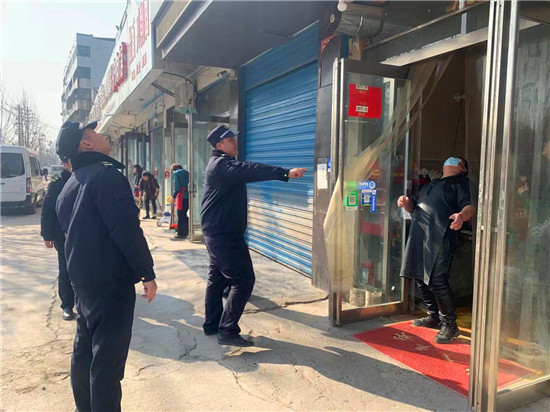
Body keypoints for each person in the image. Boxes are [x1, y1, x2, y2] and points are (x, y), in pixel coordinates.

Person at [55, 120, 158, 412]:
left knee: (84, 353)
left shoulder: (71, 184)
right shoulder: (107, 177)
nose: (103, 136)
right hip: (110, 283)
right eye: (96, 133)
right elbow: (126, 230)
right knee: (107, 366)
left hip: (83, 282)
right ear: (86, 143)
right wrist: (147, 273)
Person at [201, 125, 307, 347]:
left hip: (216, 231)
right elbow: (252, 169)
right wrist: (284, 173)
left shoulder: (219, 164)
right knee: (243, 280)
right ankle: (227, 330)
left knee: (217, 279)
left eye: (234, 138)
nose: (235, 142)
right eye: (230, 140)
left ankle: (212, 324)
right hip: (224, 234)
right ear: (219, 145)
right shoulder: (222, 165)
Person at [398, 156, 475, 344]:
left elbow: (469, 206)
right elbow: (413, 207)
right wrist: (406, 202)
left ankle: (450, 324)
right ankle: (433, 316)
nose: (449, 161)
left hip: (441, 236)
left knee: (437, 280)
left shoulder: (461, 183)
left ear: (462, 167)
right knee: (419, 276)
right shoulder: (431, 185)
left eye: (455, 160)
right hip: (420, 234)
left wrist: (461, 216)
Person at [40, 157, 75, 321]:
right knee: (65, 269)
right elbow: (47, 210)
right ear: (65, 164)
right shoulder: (57, 185)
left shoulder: (89, 179)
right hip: (63, 235)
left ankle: (86, 302)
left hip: (87, 234)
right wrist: (47, 234)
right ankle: (67, 305)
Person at [171, 163, 189, 239]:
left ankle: (181, 233)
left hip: (181, 196)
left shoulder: (176, 173)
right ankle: (187, 230)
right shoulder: (187, 172)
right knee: (185, 214)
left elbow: (177, 187)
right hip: (188, 195)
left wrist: (173, 196)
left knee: (180, 215)